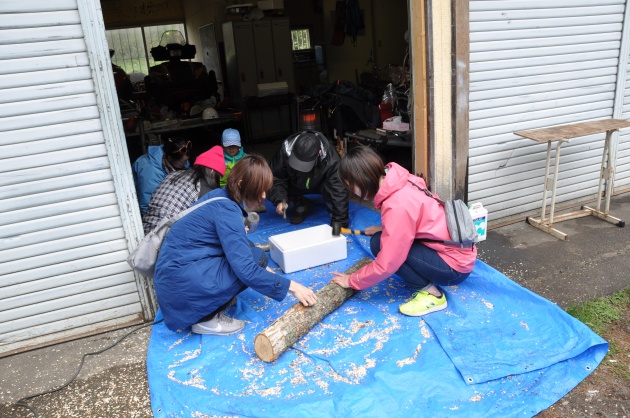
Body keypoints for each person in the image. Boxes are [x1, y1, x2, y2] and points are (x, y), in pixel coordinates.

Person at [153, 155, 318, 334]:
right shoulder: (227, 211)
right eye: (259, 190)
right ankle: (205, 320)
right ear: (241, 184)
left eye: (265, 191)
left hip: (175, 281)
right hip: (182, 288)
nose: (263, 197)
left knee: (252, 252)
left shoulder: (219, 196)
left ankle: (209, 303)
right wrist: (292, 286)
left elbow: (235, 242)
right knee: (256, 259)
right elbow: (246, 269)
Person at [330, 146, 477, 317]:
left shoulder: (396, 205)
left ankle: (432, 295)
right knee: (382, 237)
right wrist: (385, 229)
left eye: (351, 186)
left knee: (379, 245)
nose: (352, 191)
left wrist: (352, 280)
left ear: (361, 180)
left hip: (454, 268)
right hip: (458, 249)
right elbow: (417, 217)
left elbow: (388, 264)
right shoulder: (400, 179)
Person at [267, 130, 349, 233]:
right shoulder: (285, 151)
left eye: (305, 164)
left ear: (319, 153)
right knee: (265, 185)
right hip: (295, 183)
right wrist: (280, 200)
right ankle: (301, 203)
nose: (301, 167)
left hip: (319, 184)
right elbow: (276, 177)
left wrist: (339, 223)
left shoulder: (332, 160)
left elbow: (339, 190)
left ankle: (333, 213)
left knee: (334, 188)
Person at [142, 145, 224, 234]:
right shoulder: (203, 188)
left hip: (146, 230)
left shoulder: (173, 174)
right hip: (165, 236)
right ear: (212, 172)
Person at [132, 137, 191, 215]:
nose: (185, 164)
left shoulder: (173, 158)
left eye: (186, 160)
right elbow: (147, 205)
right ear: (169, 159)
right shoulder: (151, 172)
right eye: (183, 162)